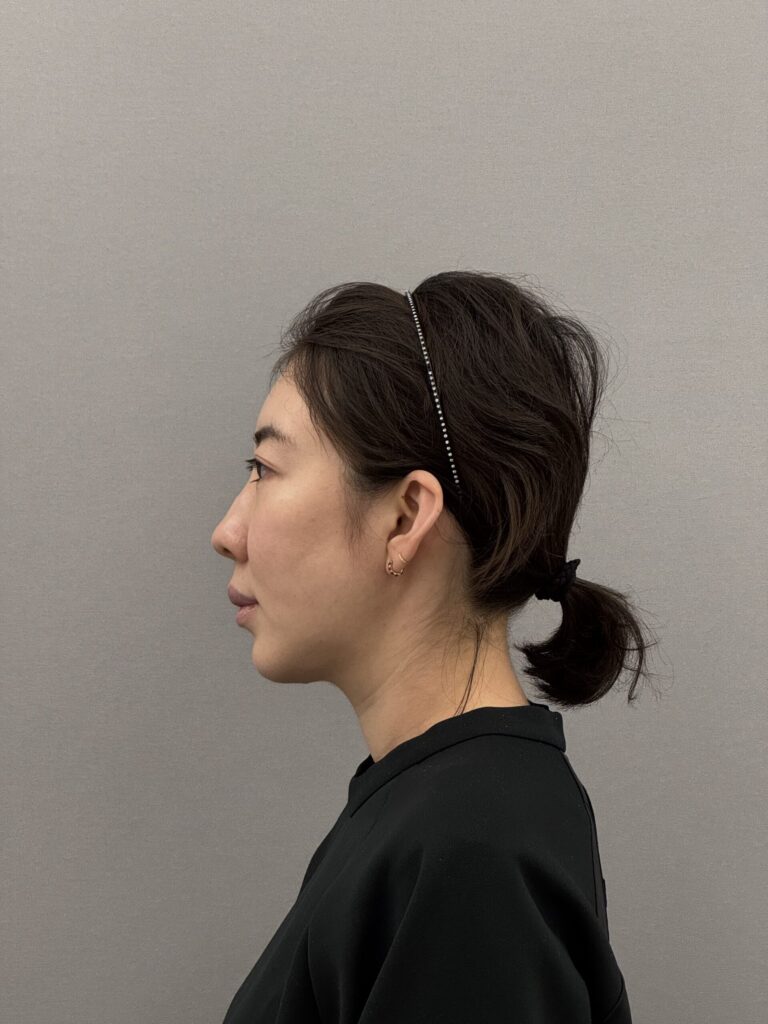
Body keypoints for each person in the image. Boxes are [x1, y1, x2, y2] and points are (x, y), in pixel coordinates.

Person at [210, 270, 658, 1022]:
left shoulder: (470, 852)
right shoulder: (437, 812)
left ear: (405, 516)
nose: (227, 532)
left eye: (265, 470)